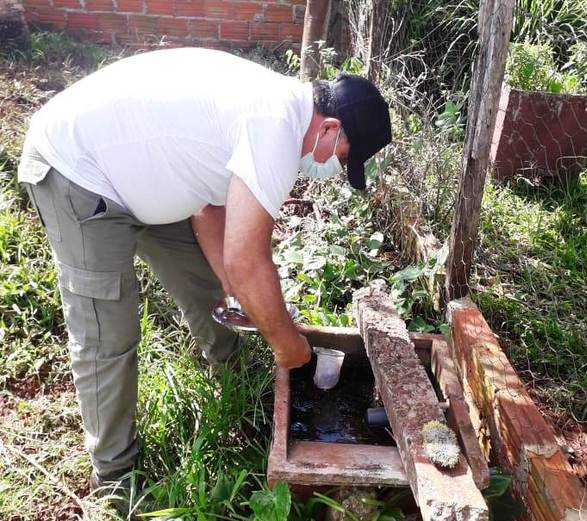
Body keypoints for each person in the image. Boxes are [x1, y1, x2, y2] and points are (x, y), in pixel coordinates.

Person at [18, 47, 392, 493]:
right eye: (344, 158)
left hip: (140, 176)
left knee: (205, 284)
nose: (333, 169)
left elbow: (209, 210)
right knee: (108, 334)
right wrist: (289, 345)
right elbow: (247, 258)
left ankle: (231, 370)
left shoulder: (277, 108)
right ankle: (115, 478)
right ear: (329, 128)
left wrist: (234, 287)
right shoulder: (276, 129)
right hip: (77, 172)